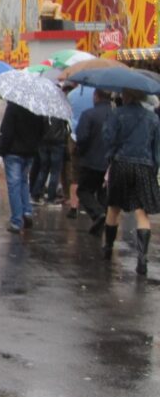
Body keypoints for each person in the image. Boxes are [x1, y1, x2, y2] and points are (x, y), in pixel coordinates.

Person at [100, 88, 160, 275]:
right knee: (142, 212)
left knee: (114, 207)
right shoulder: (153, 118)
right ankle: (142, 260)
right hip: (144, 167)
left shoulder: (117, 114)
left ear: (128, 96)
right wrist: (154, 168)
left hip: (121, 164)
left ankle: (108, 249)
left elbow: (108, 139)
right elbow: (156, 148)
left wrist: (111, 157)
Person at [0, 102, 44, 233]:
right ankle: (27, 212)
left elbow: (7, 130)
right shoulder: (37, 107)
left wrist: (2, 150)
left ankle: (16, 221)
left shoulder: (14, 106)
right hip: (30, 152)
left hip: (13, 151)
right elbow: (42, 130)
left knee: (14, 185)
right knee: (24, 182)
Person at [75, 89, 112, 237]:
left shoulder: (88, 114)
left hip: (91, 160)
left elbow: (82, 137)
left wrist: (81, 153)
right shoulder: (116, 115)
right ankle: (102, 221)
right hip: (109, 162)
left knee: (83, 190)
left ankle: (99, 214)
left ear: (96, 96)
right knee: (103, 193)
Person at [31, 116, 69, 205]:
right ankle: (51, 197)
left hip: (43, 142)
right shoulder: (61, 113)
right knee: (55, 171)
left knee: (43, 169)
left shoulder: (43, 112)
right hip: (58, 143)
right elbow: (66, 128)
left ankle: (35, 194)